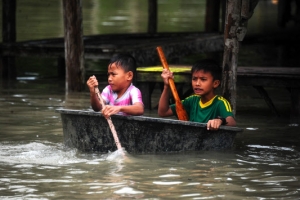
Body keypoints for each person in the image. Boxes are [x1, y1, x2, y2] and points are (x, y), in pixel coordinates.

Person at [158, 59, 236, 130]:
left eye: (203, 79)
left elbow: (232, 122)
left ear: (215, 83)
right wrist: (166, 86)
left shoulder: (220, 102)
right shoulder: (192, 100)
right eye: (194, 79)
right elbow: (163, 112)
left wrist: (220, 120)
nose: (197, 83)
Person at [86, 53, 144, 118]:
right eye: (109, 75)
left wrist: (119, 108)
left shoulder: (133, 91)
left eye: (113, 74)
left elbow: (140, 109)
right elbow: (97, 107)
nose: (109, 79)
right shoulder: (108, 89)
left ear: (129, 76)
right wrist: (93, 92)